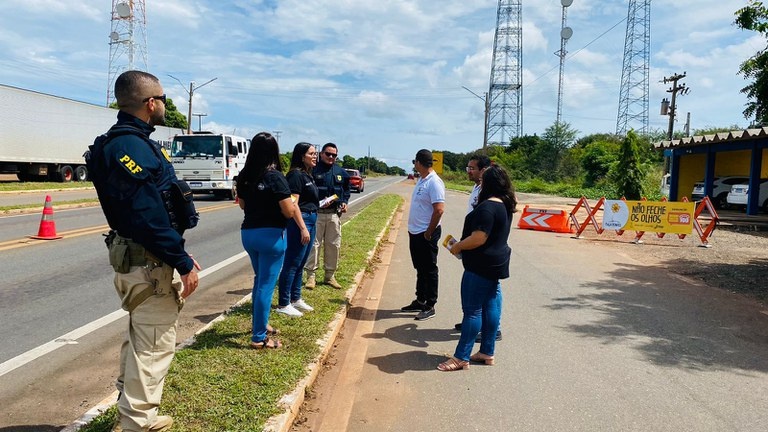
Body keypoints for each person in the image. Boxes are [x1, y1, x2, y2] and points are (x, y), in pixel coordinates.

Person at [86, 70, 201, 432]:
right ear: (150, 103)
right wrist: (180, 260)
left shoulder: (122, 142)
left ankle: (129, 406)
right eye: (164, 98)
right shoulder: (130, 146)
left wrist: (178, 252)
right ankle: (138, 422)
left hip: (139, 256)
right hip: (147, 260)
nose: (166, 104)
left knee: (141, 337)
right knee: (154, 343)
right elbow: (148, 216)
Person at [437, 165, 517, 371]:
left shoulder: (488, 207)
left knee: (472, 312)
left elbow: (479, 238)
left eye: (482, 181)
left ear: (487, 184)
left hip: (480, 266)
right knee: (491, 307)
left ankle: (461, 356)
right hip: (496, 264)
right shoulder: (505, 205)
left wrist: (458, 246)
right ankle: (487, 352)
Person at [237, 132, 302, 349]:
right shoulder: (275, 177)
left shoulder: (244, 175)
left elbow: (243, 205)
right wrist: (292, 203)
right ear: (274, 151)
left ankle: (261, 323)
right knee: (266, 284)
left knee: (259, 279)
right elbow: (288, 211)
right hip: (271, 236)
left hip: (248, 234)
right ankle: (259, 337)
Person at [454, 154, 502, 342]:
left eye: (472, 168)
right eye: (468, 168)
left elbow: (486, 225)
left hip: (482, 245)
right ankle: (475, 322)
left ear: (484, 170)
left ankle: (493, 329)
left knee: (491, 290)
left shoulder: (489, 193)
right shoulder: (476, 188)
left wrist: (468, 242)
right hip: (473, 243)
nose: (469, 171)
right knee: (481, 290)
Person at [401, 149, 445, 321]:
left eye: (414, 162)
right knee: (420, 268)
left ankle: (430, 304)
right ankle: (420, 299)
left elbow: (439, 210)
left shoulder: (434, 182)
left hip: (427, 233)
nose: (414, 165)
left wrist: (428, 232)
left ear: (419, 162)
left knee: (430, 269)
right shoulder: (422, 180)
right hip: (416, 232)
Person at [276, 142, 319, 317]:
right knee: (292, 262)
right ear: (302, 156)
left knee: (301, 262)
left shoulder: (308, 175)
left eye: (315, 153)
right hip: (301, 222)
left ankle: (296, 298)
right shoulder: (295, 175)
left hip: (312, 218)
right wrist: (302, 228)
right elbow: (293, 203)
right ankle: (283, 303)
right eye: (311, 153)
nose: (315, 156)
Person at [304, 142, 350, 289]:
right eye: (328, 154)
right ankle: (311, 277)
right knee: (314, 245)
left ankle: (330, 276)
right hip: (316, 214)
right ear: (321, 154)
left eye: (334, 155)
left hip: (333, 215)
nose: (331, 157)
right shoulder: (312, 170)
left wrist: (344, 202)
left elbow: (345, 191)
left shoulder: (341, 172)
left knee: (333, 245)